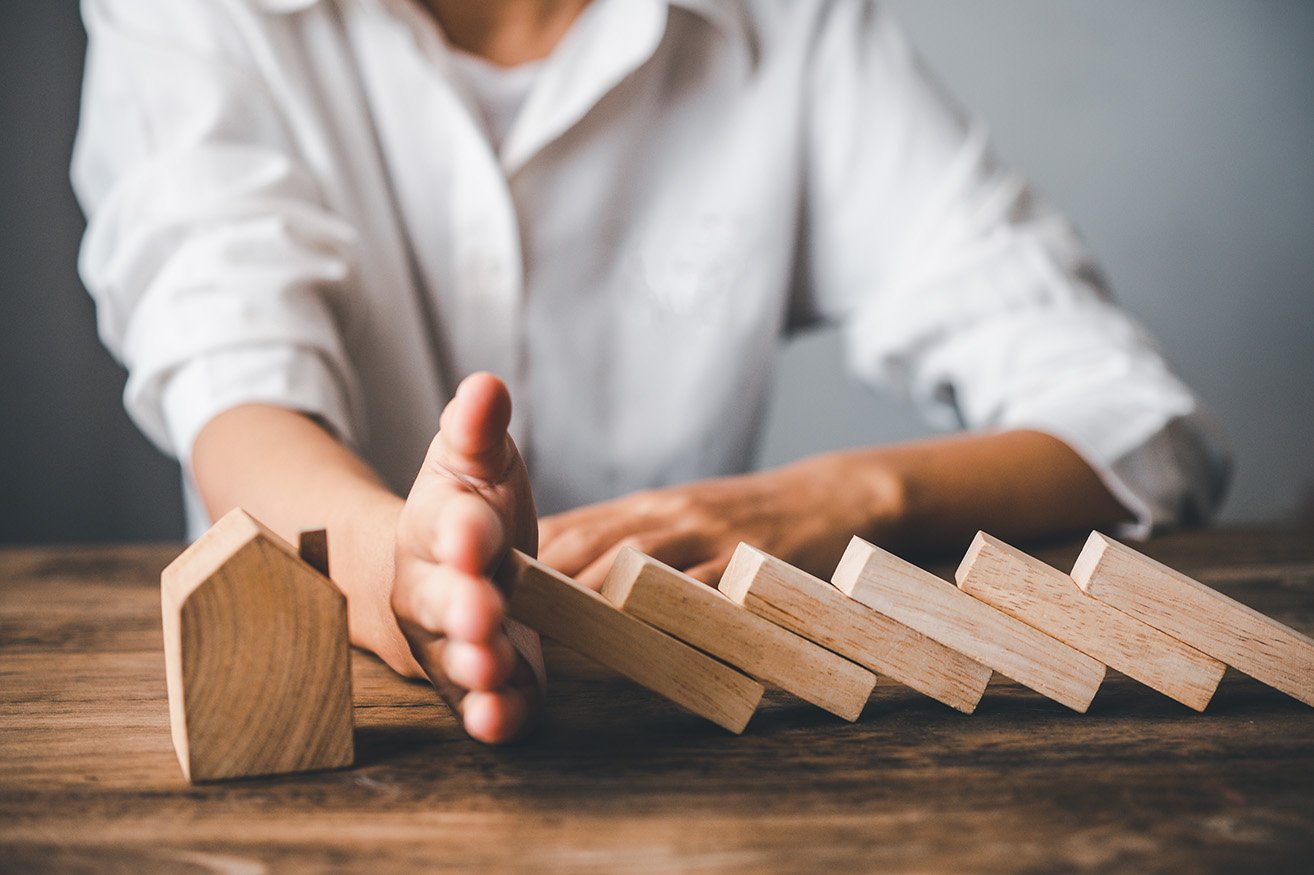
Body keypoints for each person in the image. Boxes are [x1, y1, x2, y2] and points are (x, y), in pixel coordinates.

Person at [73, 0, 1231, 743]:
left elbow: (1133, 421)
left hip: (705, 748)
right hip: (347, 735)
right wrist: (409, 574)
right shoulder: (189, 18)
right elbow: (229, 390)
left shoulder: (795, 28)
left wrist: (835, 498)